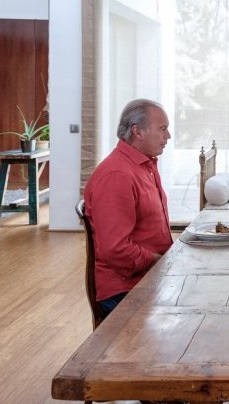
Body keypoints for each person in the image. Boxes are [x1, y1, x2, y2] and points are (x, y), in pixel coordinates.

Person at [84, 98, 173, 318]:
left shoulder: (144, 166)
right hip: (126, 289)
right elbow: (115, 249)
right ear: (138, 131)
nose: (168, 136)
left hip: (148, 277)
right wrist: (162, 263)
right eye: (162, 129)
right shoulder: (117, 176)